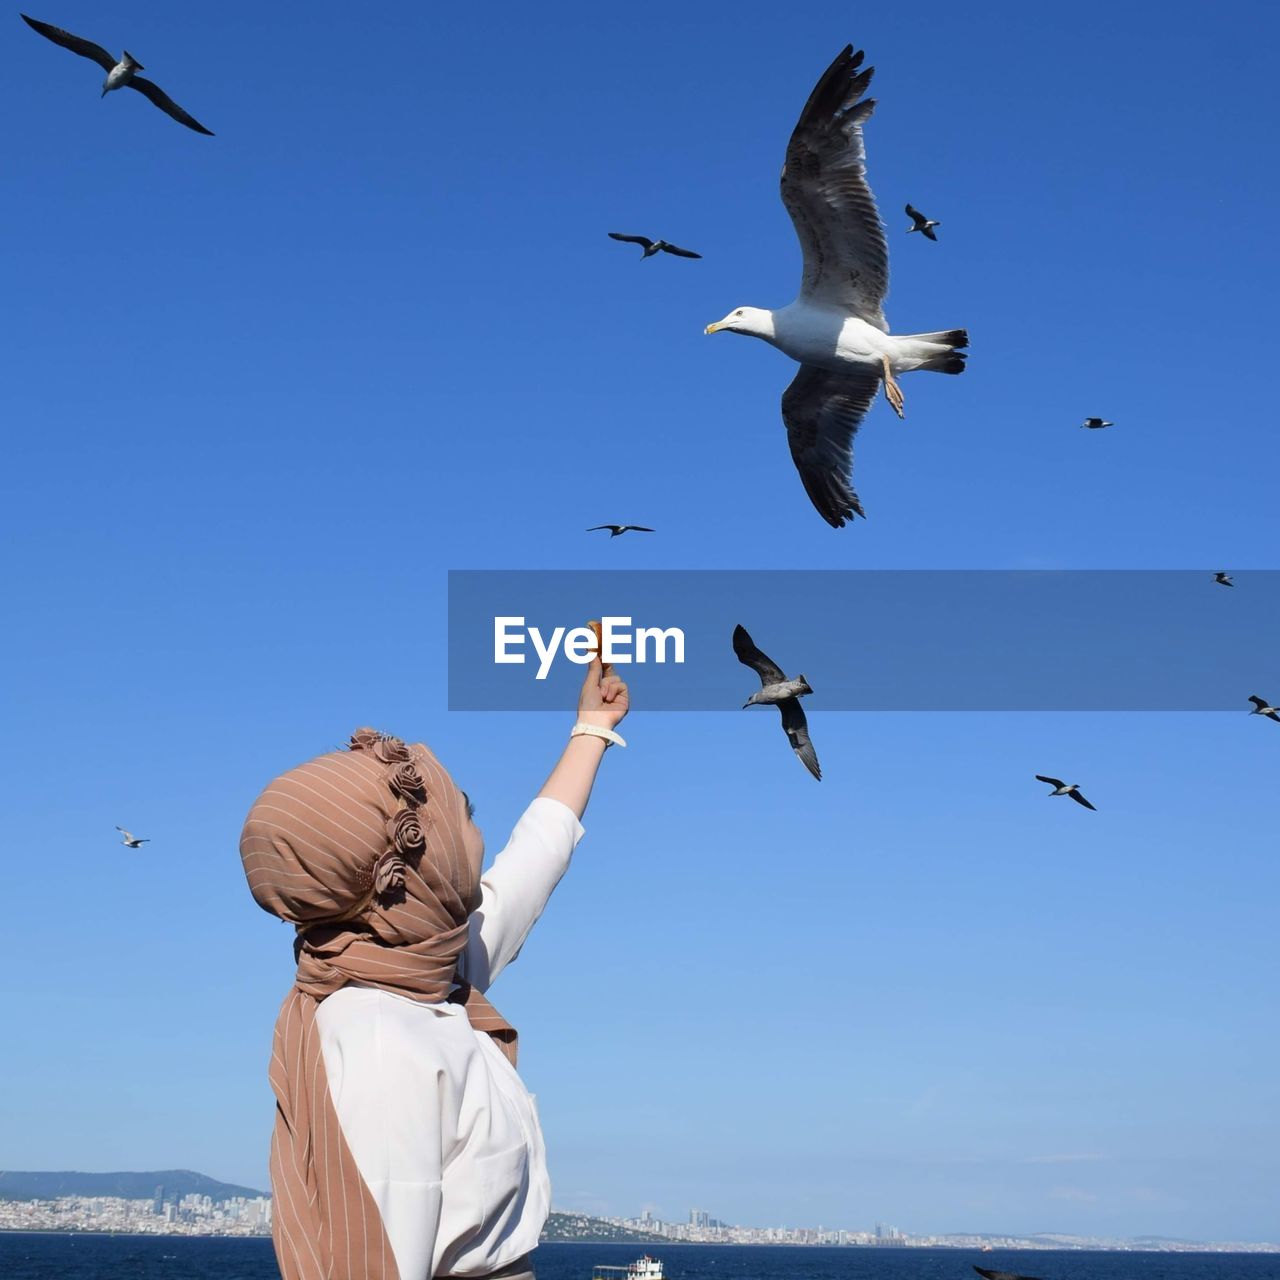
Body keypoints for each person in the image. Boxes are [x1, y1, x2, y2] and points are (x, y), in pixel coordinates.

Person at [239, 657, 629, 1280]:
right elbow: (378, 1261)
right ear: (409, 867)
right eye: (463, 815)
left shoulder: (419, 973)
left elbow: (530, 867)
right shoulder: (380, 1037)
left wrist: (592, 729)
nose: (473, 830)